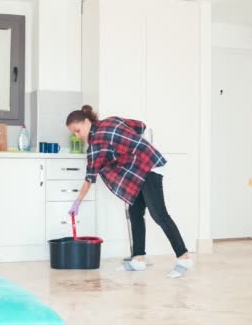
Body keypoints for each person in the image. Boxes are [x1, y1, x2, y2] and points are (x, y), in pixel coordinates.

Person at [66, 105, 194, 278]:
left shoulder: (96, 143)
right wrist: (130, 148)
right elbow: (140, 125)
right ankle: (138, 259)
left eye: (77, 130)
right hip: (141, 167)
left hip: (149, 167)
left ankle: (184, 257)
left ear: (87, 122)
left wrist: (77, 201)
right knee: (135, 212)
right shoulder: (111, 120)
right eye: (73, 133)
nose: (77, 136)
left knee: (159, 214)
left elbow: (90, 178)